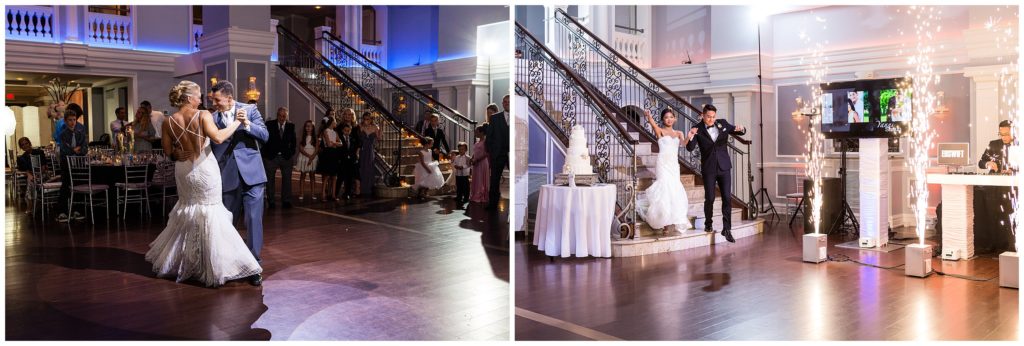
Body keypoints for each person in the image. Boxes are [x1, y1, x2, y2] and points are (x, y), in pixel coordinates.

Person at [146, 80, 262, 287]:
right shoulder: (203, 115)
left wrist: (177, 152)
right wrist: (236, 122)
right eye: (199, 95)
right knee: (211, 214)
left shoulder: (168, 121)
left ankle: (188, 261)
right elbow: (217, 138)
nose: (202, 99)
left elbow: (167, 151)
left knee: (188, 212)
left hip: (183, 170)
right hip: (204, 169)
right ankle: (213, 265)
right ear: (190, 98)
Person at [207, 81, 269, 278]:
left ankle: (254, 266)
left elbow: (265, 135)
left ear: (229, 98)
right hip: (227, 176)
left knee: (253, 220)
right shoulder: (211, 118)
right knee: (227, 223)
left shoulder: (249, 110)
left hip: (253, 175)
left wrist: (247, 124)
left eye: (217, 100)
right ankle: (230, 264)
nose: (215, 104)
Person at [685, 104, 746, 243]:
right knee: (710, 198)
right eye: (708, 117)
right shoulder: (697, 129)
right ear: (703, 115)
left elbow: (738, 131)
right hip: (709, 168)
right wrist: (690, 136)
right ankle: (708, 223)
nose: (711, 119)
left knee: (726, 198)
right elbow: (690, 148)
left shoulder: (722, 124)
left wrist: (742, 129)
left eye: (713, 117)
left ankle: (727, 229)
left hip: (724, 167)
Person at [640, 109, 692, 235]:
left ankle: (673, 218)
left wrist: (689, 136)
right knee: (664, 189)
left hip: (674, 165)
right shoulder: (660, 131)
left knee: (674, 190)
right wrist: (649, 116)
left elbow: (683, 144)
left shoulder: (679, 133)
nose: (669, 119)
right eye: (666, 117)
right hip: (663, 164)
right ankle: (665, 224)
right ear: (663, 119)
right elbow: (652, 123)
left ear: (675, 119)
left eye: (671, 117)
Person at [974, 120, 1017, 254]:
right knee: (992, 215)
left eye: (1006, 134)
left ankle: (1012, 245)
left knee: (1011, 215)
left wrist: (1014, 169)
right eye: (1001, 134)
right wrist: (988, 164)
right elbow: (981, 162)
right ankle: (992, 244)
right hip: (993, 187)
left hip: (1011, 188)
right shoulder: (993, 144)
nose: (1003, 137)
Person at [56, 103, 88, 223]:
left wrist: (77, 152)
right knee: (65, 187)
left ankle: (77, 210)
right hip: (66, 164)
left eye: (74, 120)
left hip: (78, 164)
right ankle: (62, 211)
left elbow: (85, 148)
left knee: (78, 186)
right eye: (70, 120)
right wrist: (73, 150)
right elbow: (64, 149)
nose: (72, 122)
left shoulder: (80, 133)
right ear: (65, 121)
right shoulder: (63, 133)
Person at [263, 107, 296, 209]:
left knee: (287, 180)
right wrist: (266, 155)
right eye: (280, 116)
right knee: (270, 180)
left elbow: (293, 142)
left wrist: (291, 153)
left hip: (286, 157)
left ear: (286, 116)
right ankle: (271, 201)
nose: (281, 118)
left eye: (284, 116)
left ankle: (286, 200)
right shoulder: (269, 124)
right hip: (271, 157)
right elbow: (265, 140)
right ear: (277, 115)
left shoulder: (291, 126)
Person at [485, 96, 510, 210]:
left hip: (513, 155)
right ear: (502, 103)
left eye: (509, 102)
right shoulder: (495, 118)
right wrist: (491, 151)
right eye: (505, 102)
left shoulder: (517, 117)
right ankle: (492, 205)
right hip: (498, 154)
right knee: (494, 180)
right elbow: (489, 137)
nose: (507, 103)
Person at [317, 116, 340, 201]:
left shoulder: (335, 132)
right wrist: (335, 143)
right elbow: (329, 144)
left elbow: (340, 143)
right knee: (326, 176)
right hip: (328, 153)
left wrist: (334, 143)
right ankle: (323, 195)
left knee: (334, 176)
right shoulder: (325, 131)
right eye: (335, 121)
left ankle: (333, 195)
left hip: (334, 154)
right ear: (331, 122)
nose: (336, 123)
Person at [296, 120, 319, 201]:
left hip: (313, 157)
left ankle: (313, 193)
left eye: (310, 126)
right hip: (304, 157)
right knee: (303, 175)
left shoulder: (315, 137)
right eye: (307, 126)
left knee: (312, 176)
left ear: (313, 128)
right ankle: (301, 193)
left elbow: (316, 149)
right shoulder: (302, 137)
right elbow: (301, 148)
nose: (308, 128)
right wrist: (308, 156)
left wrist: (312, 157)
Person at [357, 111, 379, 196]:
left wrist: (382, 127)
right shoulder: (360, 126)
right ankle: (360, 189)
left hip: (370, 150)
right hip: (362, 149)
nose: (366, 120)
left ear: (371, 120)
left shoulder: (375, 127)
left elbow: (379, 138)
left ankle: (368, 189)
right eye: (365, 119)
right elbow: (357, 138)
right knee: (361, 168)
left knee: (369, 168)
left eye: (368, 119)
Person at [470, 123, 491, 204]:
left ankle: (481, 196)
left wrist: (477, 159)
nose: (475, 133)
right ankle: (475, 194)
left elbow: (487, 153)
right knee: (476, 178)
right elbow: (475, 152)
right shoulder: (477, 142)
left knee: (481, 179)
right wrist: (472, 158)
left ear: (481, 133)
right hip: (476, 162)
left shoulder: (485, 142)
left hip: (482, 162)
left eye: (476, 132)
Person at [337, 123, 359, 199]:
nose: (347, 132)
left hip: (351, 161)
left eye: (348, 131)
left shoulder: (352, 138)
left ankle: (347, 193)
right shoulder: (339, 138)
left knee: (349, 177)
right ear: (342, 130)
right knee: (341, 177)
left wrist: (355, 156)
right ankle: (336, 193)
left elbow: (355, 147)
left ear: (350, 131)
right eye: (345, 131)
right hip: (342, 160)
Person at [453, 142, 471, 207]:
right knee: (459, 186)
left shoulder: (467, 157)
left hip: (465, 174)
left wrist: (462, 167)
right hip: (458, 174)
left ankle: (466, 198)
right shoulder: (457, 157)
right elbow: (454, 163)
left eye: (462, 149)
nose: (461, 151)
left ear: (466, 150)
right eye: (459, 149)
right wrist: (455, 166)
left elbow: (468, 164)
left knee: (465, 187)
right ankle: (459, 196)